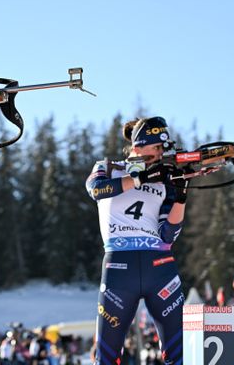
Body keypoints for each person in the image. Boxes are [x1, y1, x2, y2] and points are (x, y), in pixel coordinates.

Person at [85, 117, 189, 365]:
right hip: (120, 269)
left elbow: (168, 235)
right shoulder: (109, 167)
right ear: (140, 144)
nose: (161, 153)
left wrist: (181, 195)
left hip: (160, 267)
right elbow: (96, 190)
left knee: (181, 355)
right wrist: (140, 178)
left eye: (163, 149)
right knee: (107, 357)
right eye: (157, 147)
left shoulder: (165, 178)